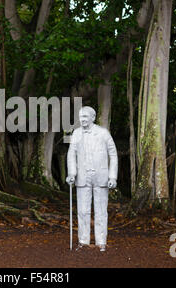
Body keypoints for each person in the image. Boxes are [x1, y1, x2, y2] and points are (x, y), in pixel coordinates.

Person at [66, 106, 118, 252]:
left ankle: (101, 241)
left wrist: (112, 176)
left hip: (101, 176)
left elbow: (113, 155)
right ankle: (83, 241)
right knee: (83, 211)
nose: (82, 120)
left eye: (85, 117)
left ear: (93, 118)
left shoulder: (103, 133)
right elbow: (71, 154)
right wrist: (72, 173)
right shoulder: (76, 133)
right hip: (83, 177)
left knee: (101, 211)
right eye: (80, 117)